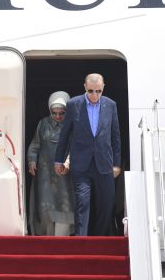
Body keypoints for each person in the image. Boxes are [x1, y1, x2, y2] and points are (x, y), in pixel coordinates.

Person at [54, 73, 121, 236]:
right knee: (82, 203)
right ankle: (81, 240)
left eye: (98, 91)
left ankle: (99, 238)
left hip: (104, 164)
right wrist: (58, 160)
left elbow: (115, 135)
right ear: (85, 87)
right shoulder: (74, 104)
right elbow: (65, 134)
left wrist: (117, 163)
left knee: (106, 203)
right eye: (91, 91)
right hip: (81, 164)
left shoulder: (110, 105)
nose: (94, 95)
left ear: (103, 87)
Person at [27, 91, 75, 236]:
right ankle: (46, 238)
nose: (58, 116)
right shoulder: (43, 124)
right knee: (45, 204)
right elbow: (35, 144)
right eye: (54, 113)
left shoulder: (73, 125)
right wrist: (31, 160)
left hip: (64, 173)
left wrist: (68, 162)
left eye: (62, 113)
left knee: (64, 204)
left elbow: (76, 147)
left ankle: (63, 237)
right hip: (45, 173)